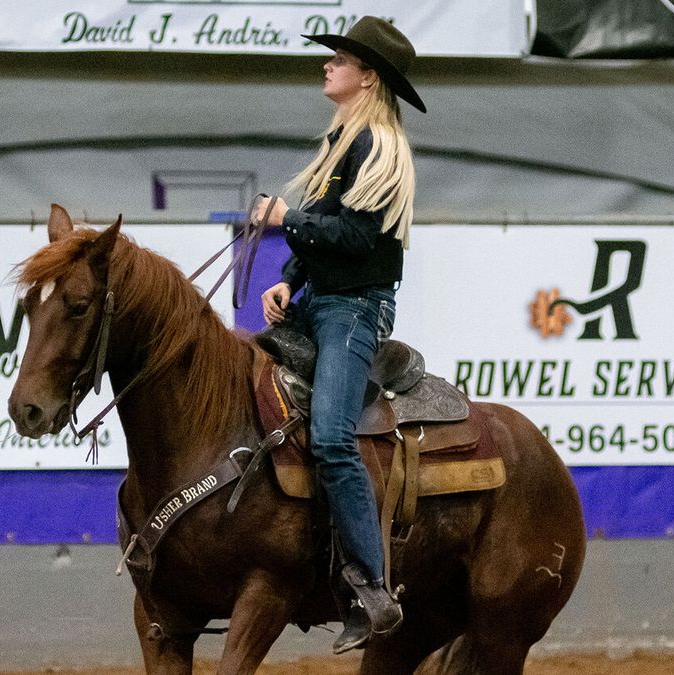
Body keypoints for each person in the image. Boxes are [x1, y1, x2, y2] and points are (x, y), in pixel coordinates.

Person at [251, 15, 426, 654]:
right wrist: (289, 279)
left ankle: (373, 588)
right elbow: (329, 229)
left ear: (367, 76)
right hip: (323, 300)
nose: (328, 65)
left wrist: (283, 217)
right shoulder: (343, 142)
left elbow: (357, 238)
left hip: (354, 312)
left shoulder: (377, 145)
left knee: (329, 435)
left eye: (340, 59)